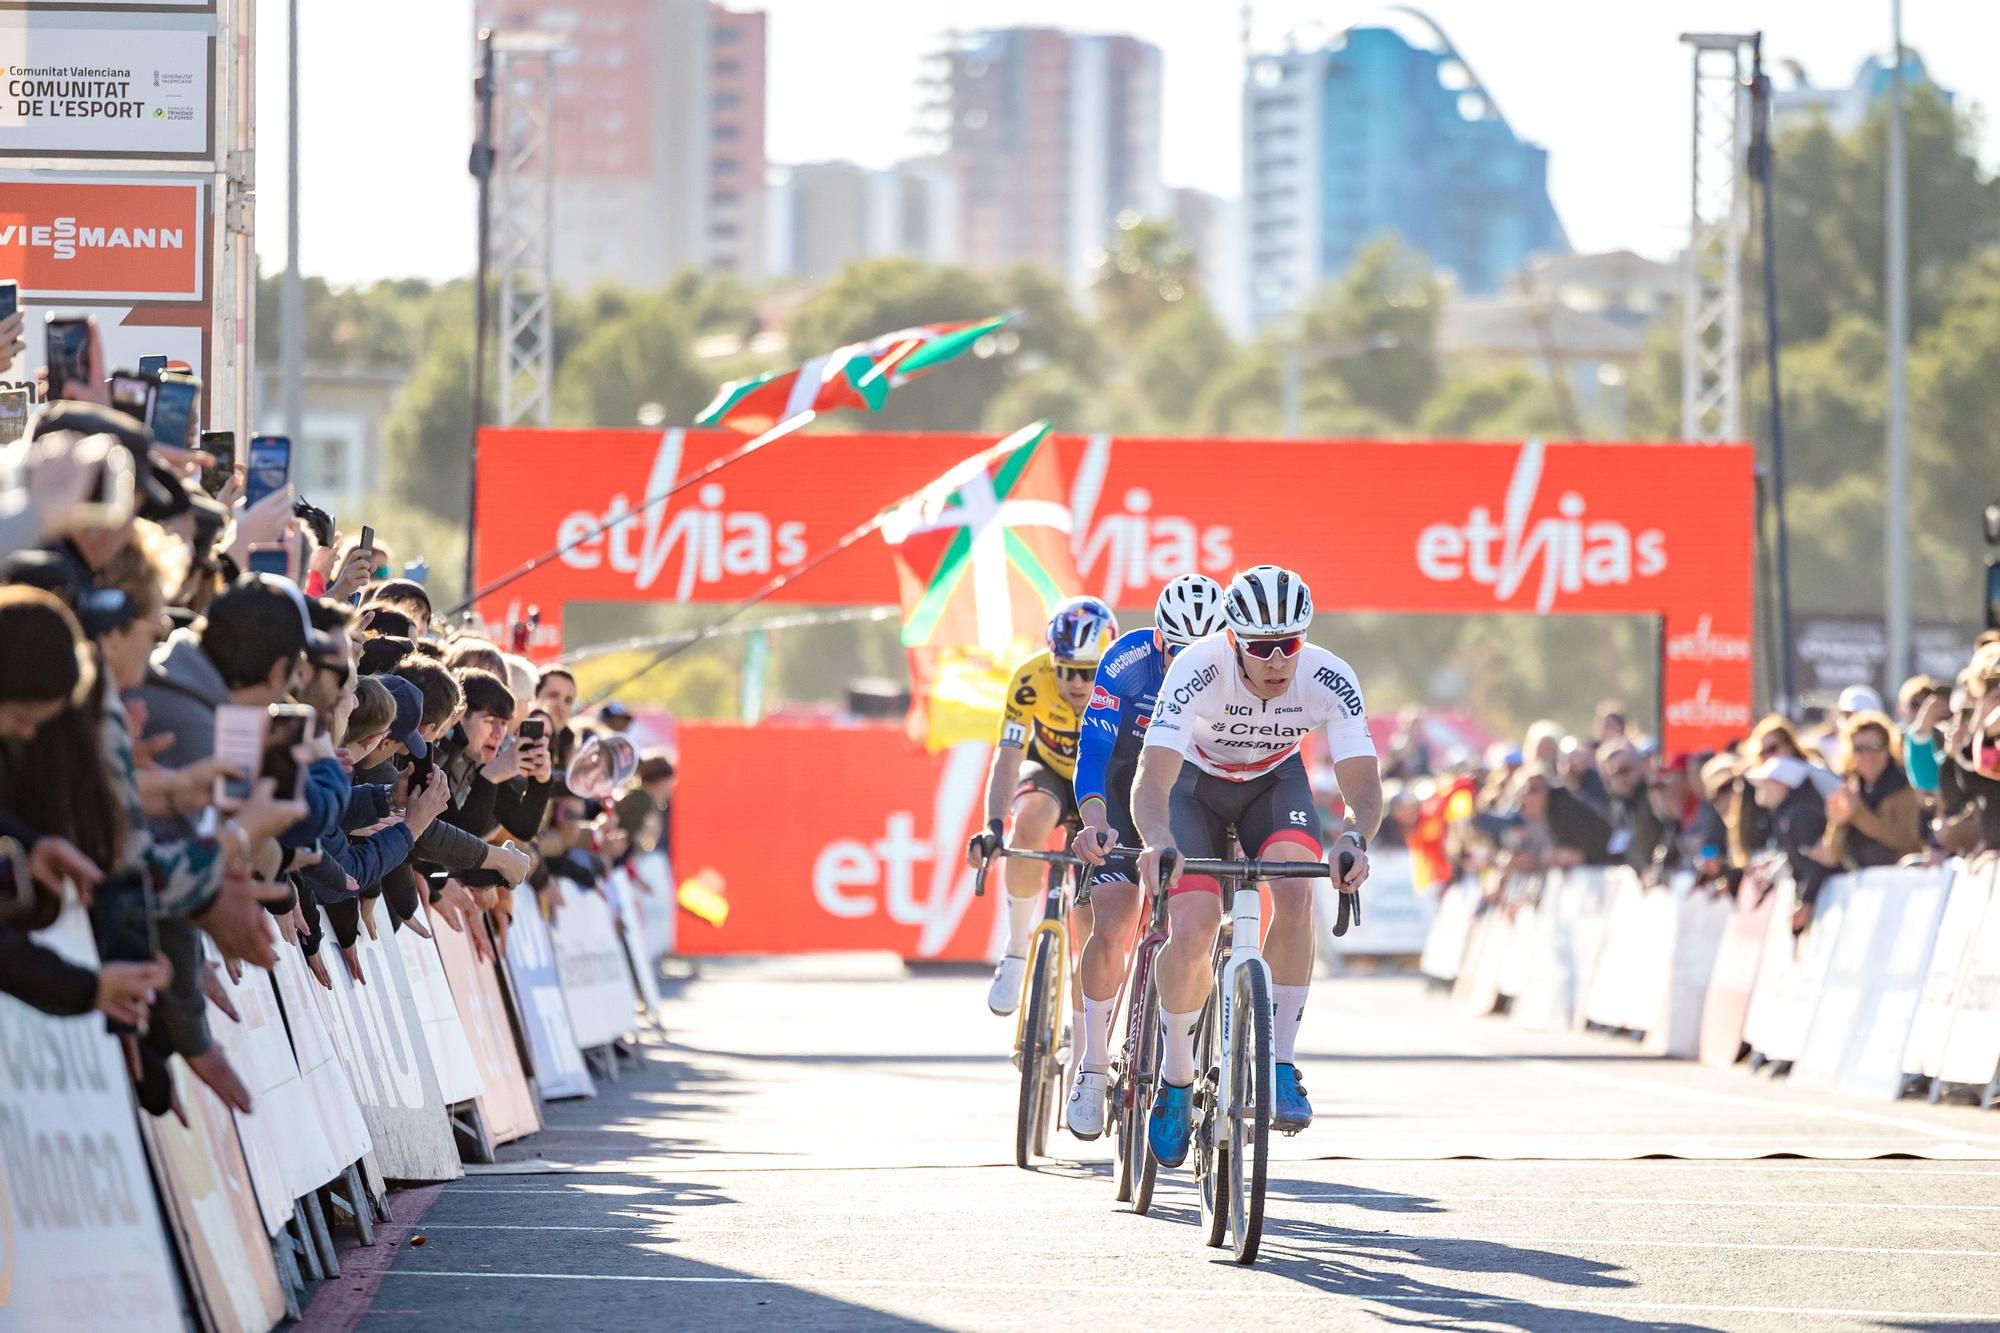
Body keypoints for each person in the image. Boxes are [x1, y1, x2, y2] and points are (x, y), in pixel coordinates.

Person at [1129, 565, 1380, 1164]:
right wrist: (1158, 839)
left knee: (1296, 895)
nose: (1276, 660)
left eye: (1288, 644)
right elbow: (1152, 776)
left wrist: (1354, 837)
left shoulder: (1328, 677)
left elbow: (1363, 786)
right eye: (1261, 647)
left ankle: (1282, 1063)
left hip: (1274, 784)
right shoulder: (1197, 668)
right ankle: (1177, 1076)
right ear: (1233, 640)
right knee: (1191, 928)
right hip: (1195, 789)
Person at [1065, 574, 1228, 1139]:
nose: (1187, 661)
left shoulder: (1233, 669)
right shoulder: (1127, 660)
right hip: (1122, 780)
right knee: (1112, 920)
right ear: (1159, 640)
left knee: (1210, 929)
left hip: (1190, 790)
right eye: (1176, 650)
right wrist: (1093, 825)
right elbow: (1094, 749)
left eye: (1198, 651)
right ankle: (1090, 1065)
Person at [965, 595, 1118, 1017]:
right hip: (1048, 770)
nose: (1076, 684)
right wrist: (993, 824)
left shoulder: (1124, 680)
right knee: (1030, 818)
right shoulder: (1030, 677)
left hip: (1101, 784)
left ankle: (1085, 1049)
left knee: (1089, 926)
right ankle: (1015, 950)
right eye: (1066, 670)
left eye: (1088, 673)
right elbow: (1008, 756)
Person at [1814, 710, 1922, 870]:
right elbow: (1831, 854)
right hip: (1864, 883)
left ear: (1888, 749)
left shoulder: (1904, 786)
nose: (1868, 755)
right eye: (1860, 748)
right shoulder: (1852, 788)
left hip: (1901, 879)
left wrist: (1858, 814)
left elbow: (1907, 840)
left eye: (1875, 746)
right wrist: (1838, 822)